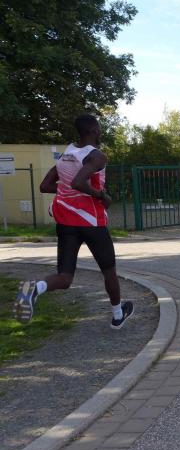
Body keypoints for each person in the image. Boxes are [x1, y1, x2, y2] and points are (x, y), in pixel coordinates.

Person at [13, 115, 134, 329]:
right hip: (91, 222)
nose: (100, 133)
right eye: (99, 129)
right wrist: (102, 196)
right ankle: (117, 315)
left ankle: (36, 288)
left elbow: (45, 186)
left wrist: (66, 190)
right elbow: (78, 182)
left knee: (65, 277)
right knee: (109, 271)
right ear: (93, 131)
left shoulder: (66, 155)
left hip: (66, 222)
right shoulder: (97, 156)